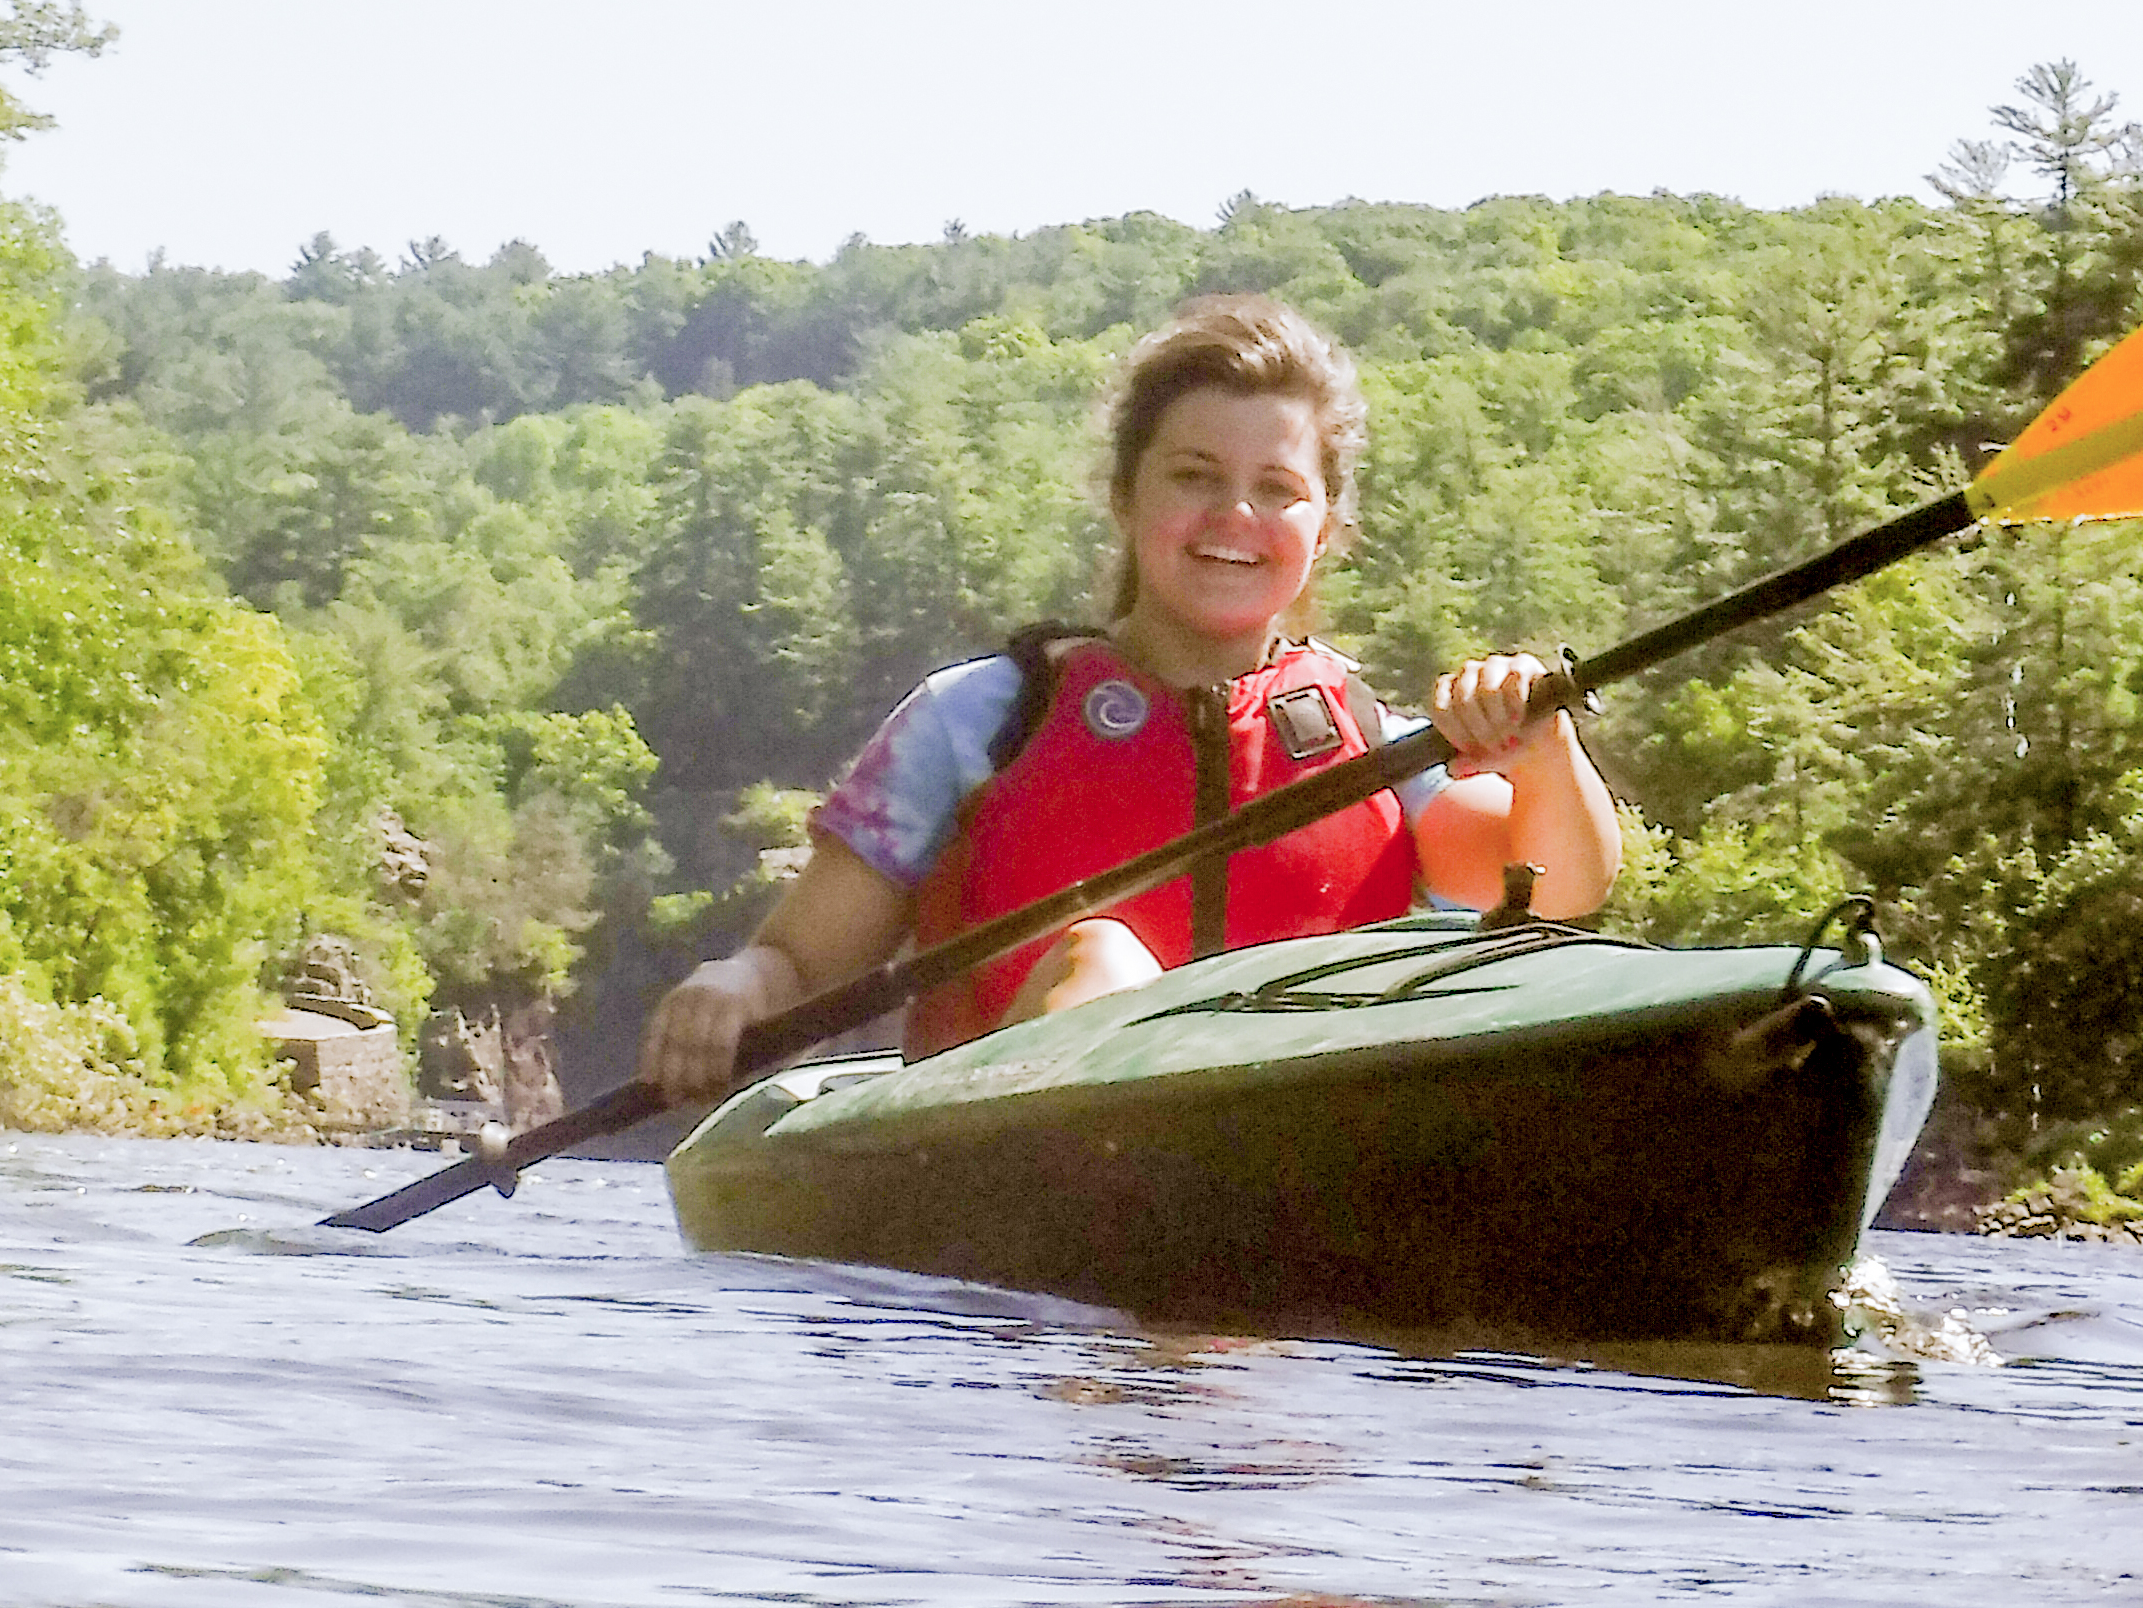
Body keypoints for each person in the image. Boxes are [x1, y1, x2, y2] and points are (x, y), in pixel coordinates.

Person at [639, 292, 1624, 1107]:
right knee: (1102, 959)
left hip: (1301, 1144)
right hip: (1007, 1163)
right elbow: (799, 968)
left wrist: (1542, 746)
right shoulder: (977, 720)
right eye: (1195, 476)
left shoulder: (1371, 745)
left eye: (1277, 488)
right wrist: (734, 985)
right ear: (1126, 496)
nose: (1235, 517)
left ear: (1325, 530)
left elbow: (1562, 885)